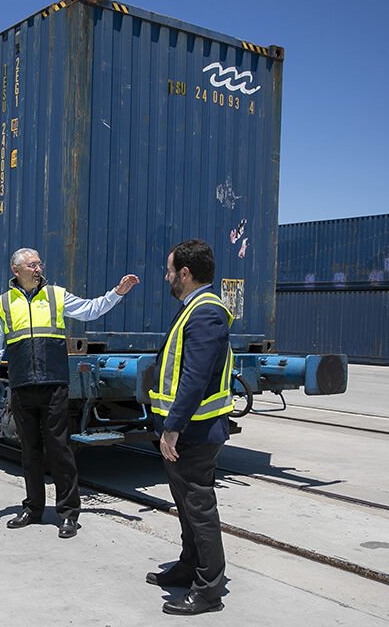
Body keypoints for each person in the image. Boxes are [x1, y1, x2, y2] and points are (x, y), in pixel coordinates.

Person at [0, 248, 139, 538]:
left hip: (53, 385)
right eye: (32, 264)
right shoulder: (3, 304)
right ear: (17, 270)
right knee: (29, 452)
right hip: (22, 385)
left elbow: (91, 310)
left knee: (60, 450)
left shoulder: (55, 295)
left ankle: (68, 514)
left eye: (40, 263)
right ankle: (33, 508)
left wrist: (117, 292)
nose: (39, 268)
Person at [146, 239, 233, 615]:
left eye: (169, 270)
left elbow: (194, 379)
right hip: (187, 430)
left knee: (199, 506)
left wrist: (172, 428)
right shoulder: (193, 309)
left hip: (194, 432)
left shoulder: (205, 313)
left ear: (185, 273)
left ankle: (209, 589)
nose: (166, 277)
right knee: (185, 504)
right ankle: (189, 565)